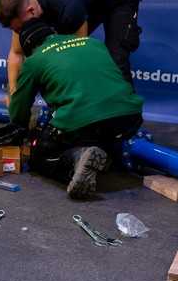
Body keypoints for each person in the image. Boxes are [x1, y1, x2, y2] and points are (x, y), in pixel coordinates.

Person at [8, 19, 144, 198]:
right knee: (102, 130)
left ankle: (76, 160)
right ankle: (104, 153)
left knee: (40, 158)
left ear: (29, 47)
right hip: (130, 117)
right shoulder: (92, 42)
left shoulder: (35, 60)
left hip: (84, 122)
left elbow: (20, 107)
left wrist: (19, 129)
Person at [0, 0, 142, 99]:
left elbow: (78, 58)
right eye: (15, 30)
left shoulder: (68, 8)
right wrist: (13, 95)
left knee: (116, 60)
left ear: (31, 11)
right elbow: (16, 54)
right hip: (87, 1)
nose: (20, 32)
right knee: (50, 57)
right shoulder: (23, 10)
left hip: (119, 1)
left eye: (21, 28)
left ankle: (127, 113)